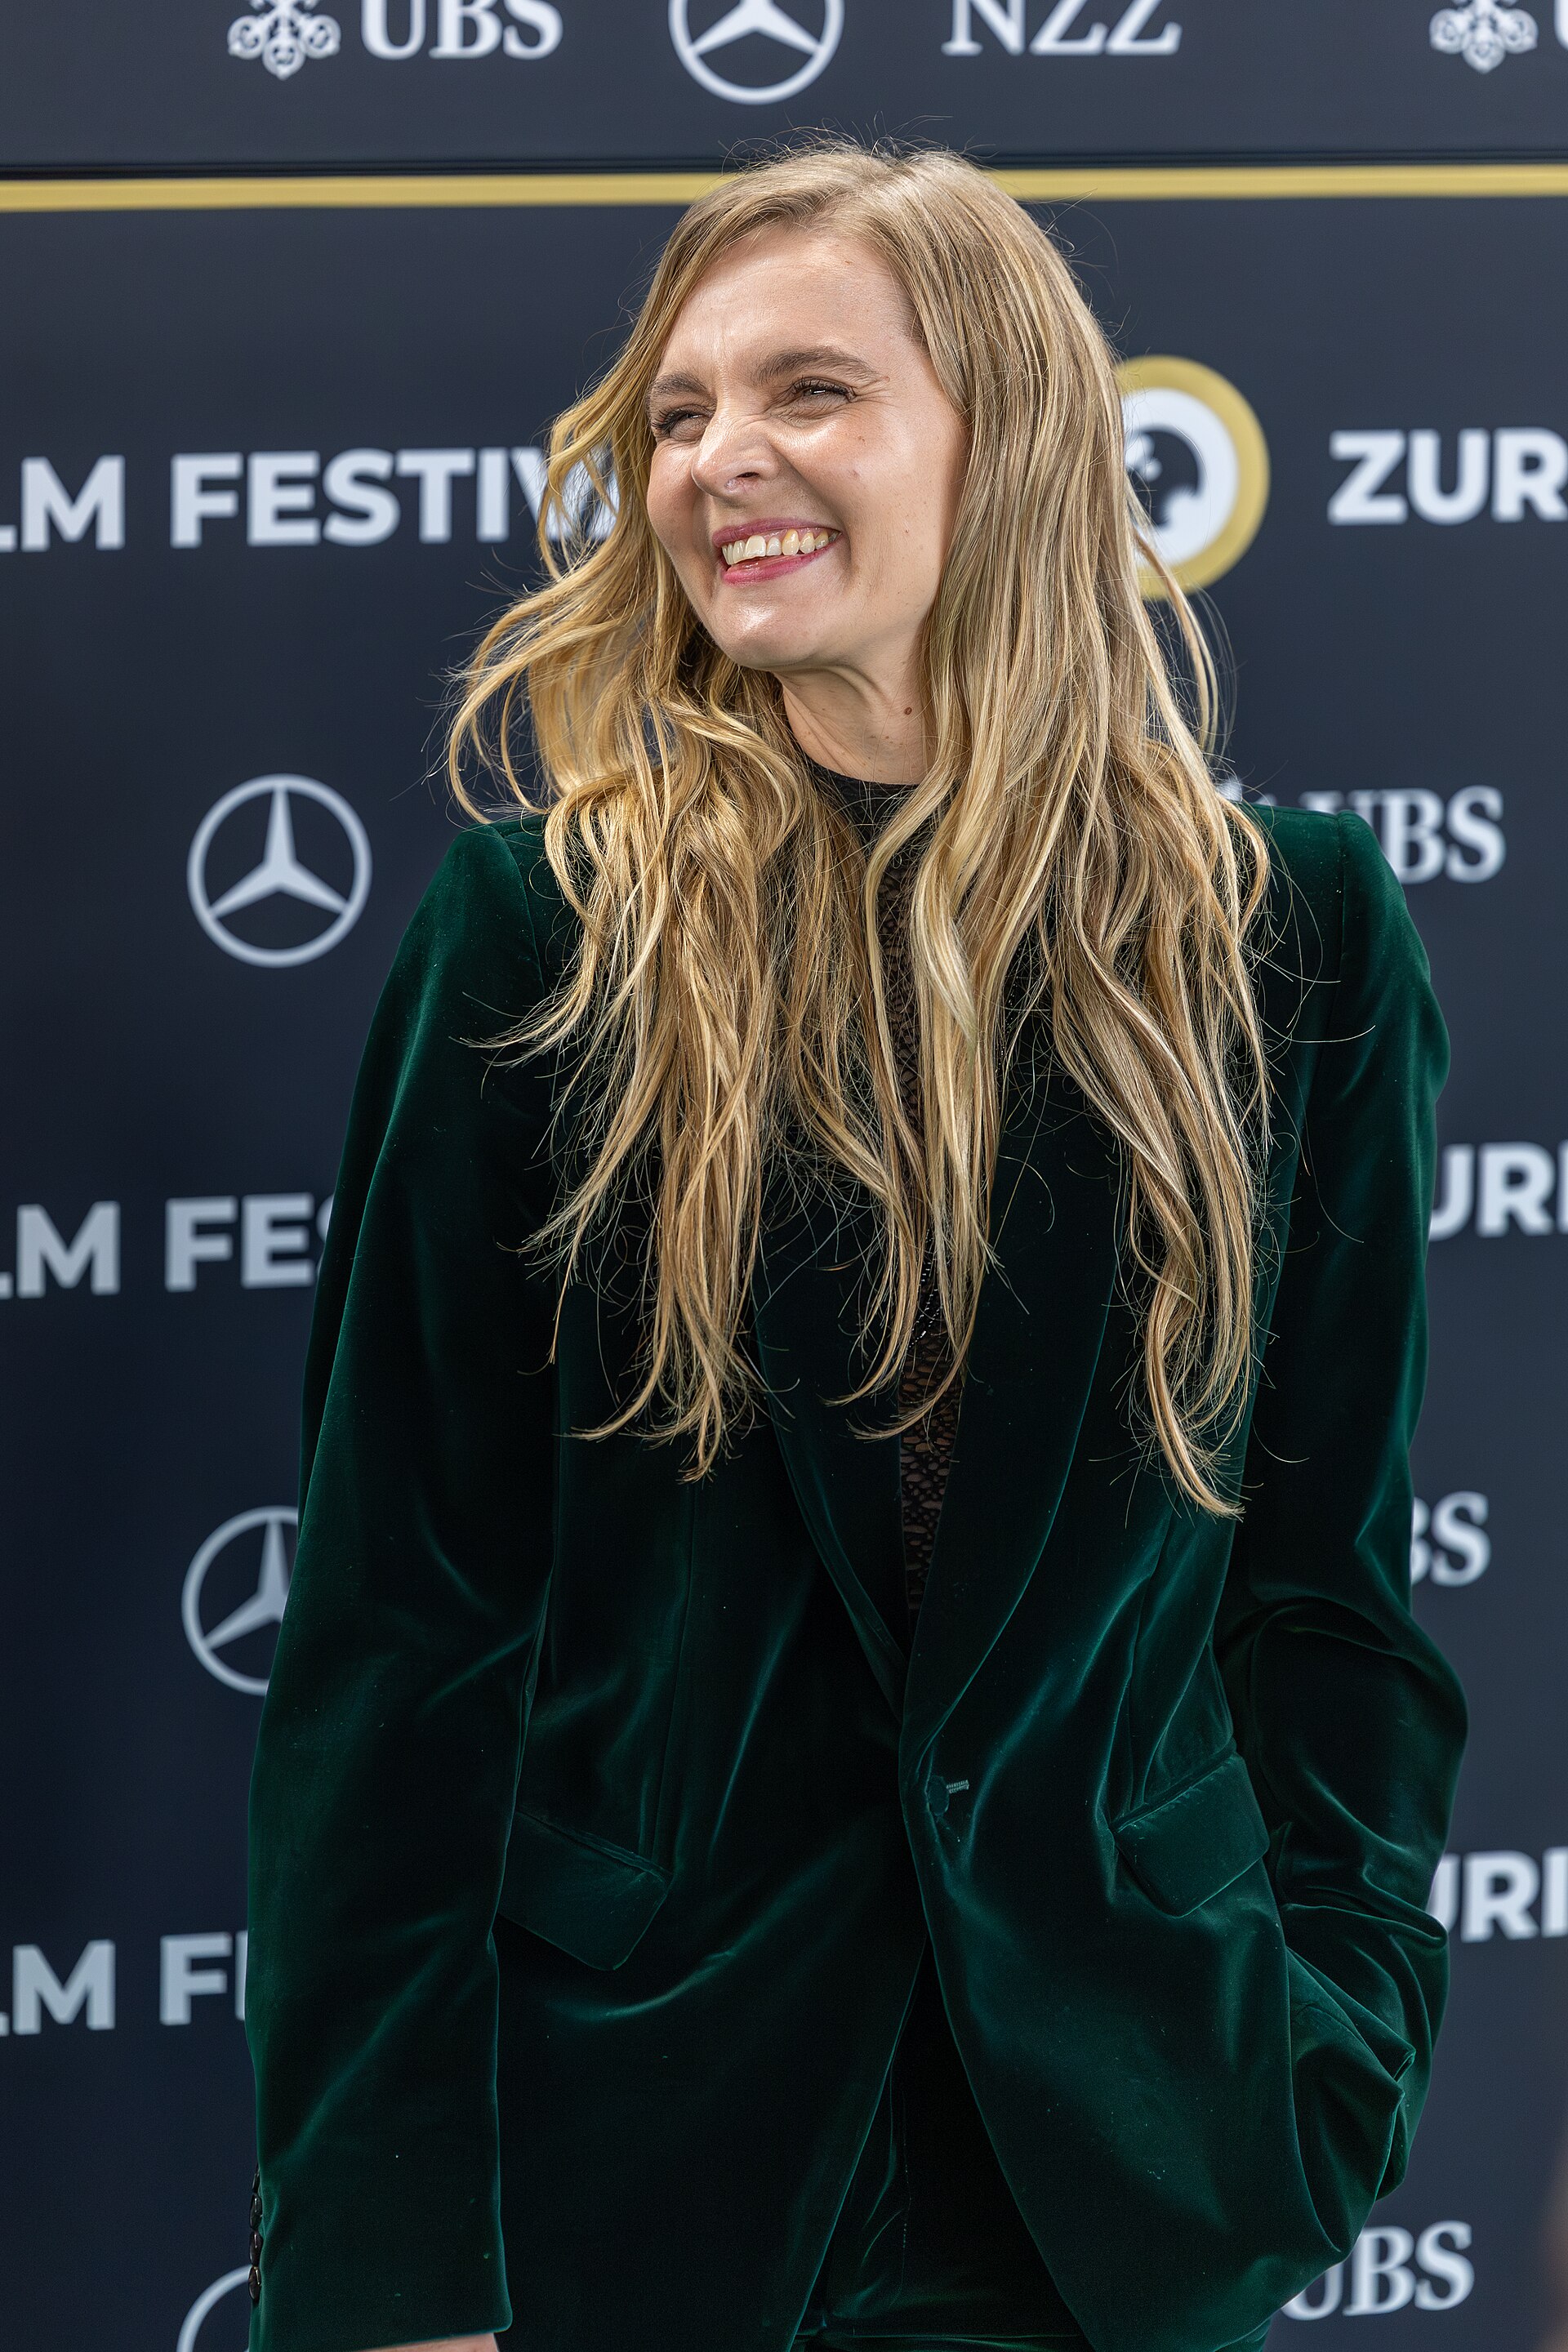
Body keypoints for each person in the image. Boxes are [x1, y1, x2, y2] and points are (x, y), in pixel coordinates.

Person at [243, 141, 1467, 2352]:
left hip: (1122, 2153)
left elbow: (1331, 1597)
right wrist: (391, 2264)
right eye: (683, 411)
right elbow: (397, 1645)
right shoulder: (543, 937)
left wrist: (1328, 2054)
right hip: (647, 2150)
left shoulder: (1294, 941)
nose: (721, 461)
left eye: (810, 390)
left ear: (1005, 441)